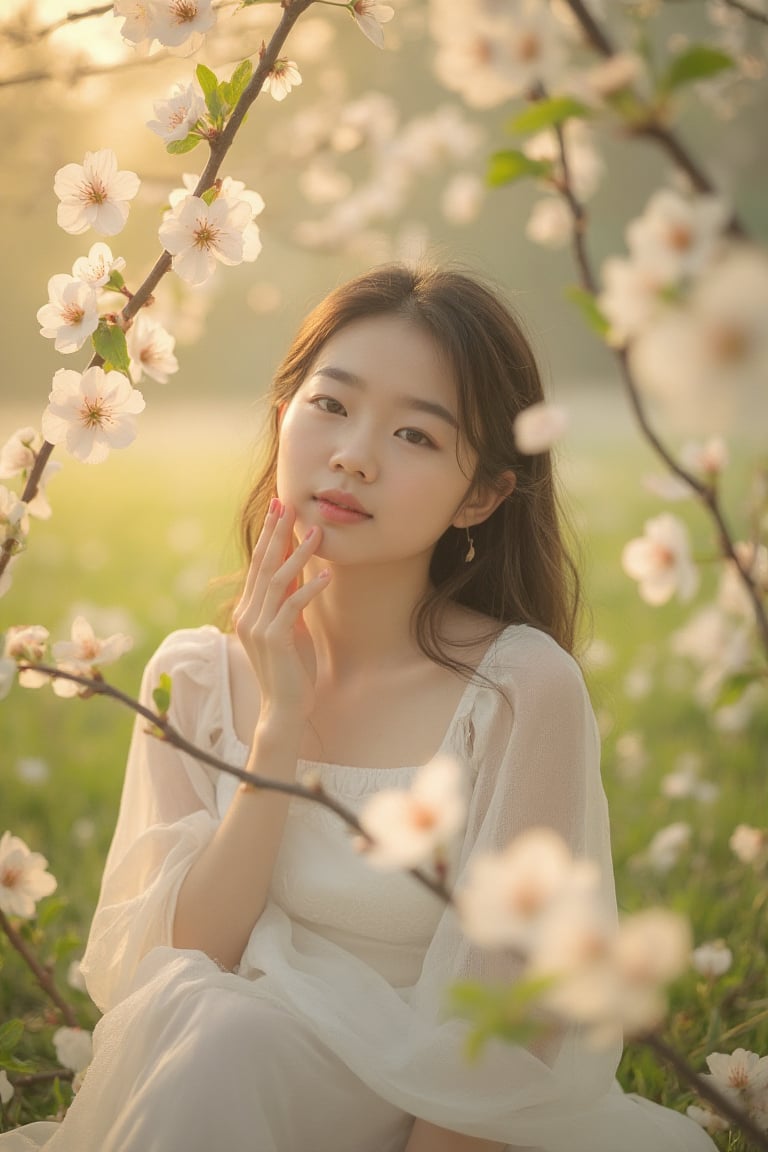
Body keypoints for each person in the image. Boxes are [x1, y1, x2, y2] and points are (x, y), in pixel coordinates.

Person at [1, 264, 717, 1152]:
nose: (355, 455)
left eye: (417, 435)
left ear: (483, 494)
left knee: (224, 1041)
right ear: (283, 415)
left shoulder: (519, 691)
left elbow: (506, 1038)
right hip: (231, 1088)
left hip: (441, 1127)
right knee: (220, 1029)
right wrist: (276, 733)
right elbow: (180, 968)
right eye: (331, 406)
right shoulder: (193, 680)